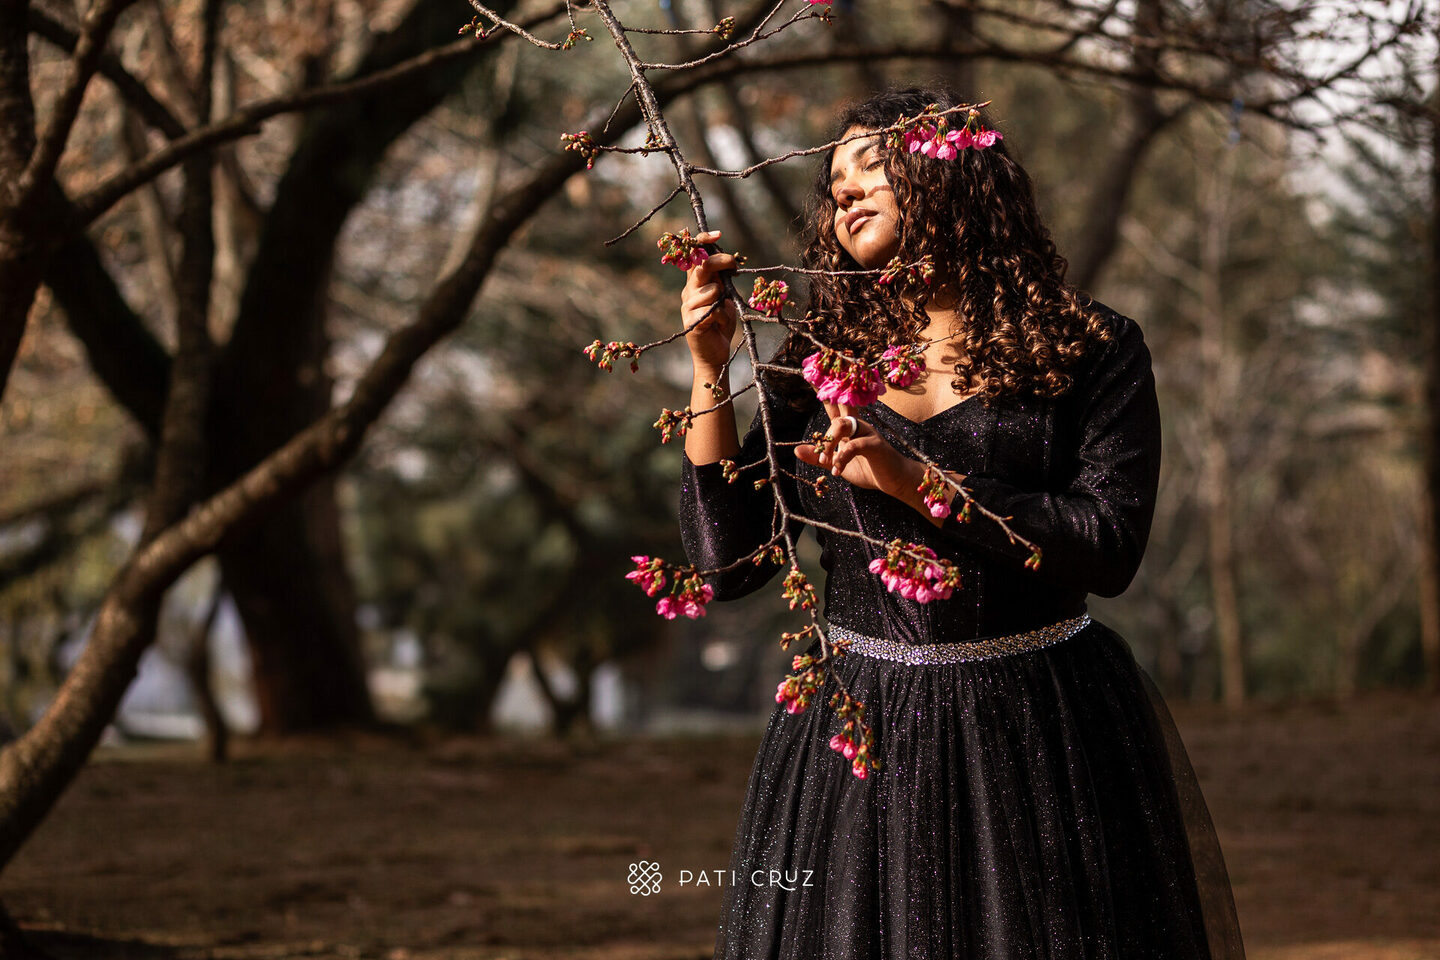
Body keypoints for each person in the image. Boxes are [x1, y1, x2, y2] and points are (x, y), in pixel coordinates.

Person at [674, 86, 1246, 960]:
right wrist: (710, 368)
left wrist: (917, 483)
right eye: (833, 183)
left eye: (871, 168)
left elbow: (1108, 547)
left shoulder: (1089, 346)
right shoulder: (821, 357)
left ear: (952, 175)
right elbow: (728, 564)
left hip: (1041, 728)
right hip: (860, 734)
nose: (844, 192)